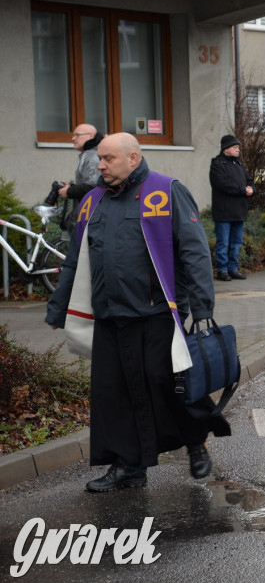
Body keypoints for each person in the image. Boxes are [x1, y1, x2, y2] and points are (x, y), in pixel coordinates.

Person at [45, 132, 230, 492]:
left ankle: (195, 441)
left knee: (166, 385)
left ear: (133, 158)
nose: (100, 165)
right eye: (99, 158)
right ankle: (128, 467)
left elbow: (194, 251)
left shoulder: (166, 191)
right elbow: (75, 259)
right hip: (109, 316)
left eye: (108, 158)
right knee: (114, 394)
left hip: (156, 314)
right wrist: (58, 309)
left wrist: (202, 308)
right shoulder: (92, 201)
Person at [210, 134, 254, 281]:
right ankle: (222, 270)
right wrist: (243, 190)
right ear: (226, 148)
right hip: (223, 211)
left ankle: (233, 268)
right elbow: (223, 184)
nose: (238, 150)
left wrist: (252, 189)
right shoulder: (217, 164)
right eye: (235, 147)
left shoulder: (239, 164)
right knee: (223, 243)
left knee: (236, 243)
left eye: (238, 147)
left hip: (239, 210)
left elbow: (249, 180)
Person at [58, 123, 102, 235]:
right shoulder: (89, 154)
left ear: (91, 135)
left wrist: (69, 191)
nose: (73, 139)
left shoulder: (92, 156)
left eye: (77, 135)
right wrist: (71, 188)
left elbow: (94, 186)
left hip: (92, 217)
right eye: (73, 135)